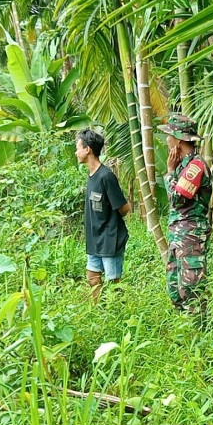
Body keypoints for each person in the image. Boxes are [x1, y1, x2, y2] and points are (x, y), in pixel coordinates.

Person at [157, 114, 213, 312]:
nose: (167, 141)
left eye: (169, 137)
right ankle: (185, 335)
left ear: (179, 140)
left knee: (192, 290)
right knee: (175, 288)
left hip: (190, 237)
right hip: (179, 237)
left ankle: (199, 335)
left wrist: (170, 172)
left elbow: (177, 198)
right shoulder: (184, 165)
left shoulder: (195, 166)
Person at [75, 129, 131, 300]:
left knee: (114, 282)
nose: (76, 152)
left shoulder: (106, 176)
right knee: (92, 278)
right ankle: (98, 314)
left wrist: (109, 224)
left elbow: (124, 208)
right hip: (95, 240)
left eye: (78, 147)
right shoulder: (91, 176)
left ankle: (118, 315)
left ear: (88, 149)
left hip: (109, 239)